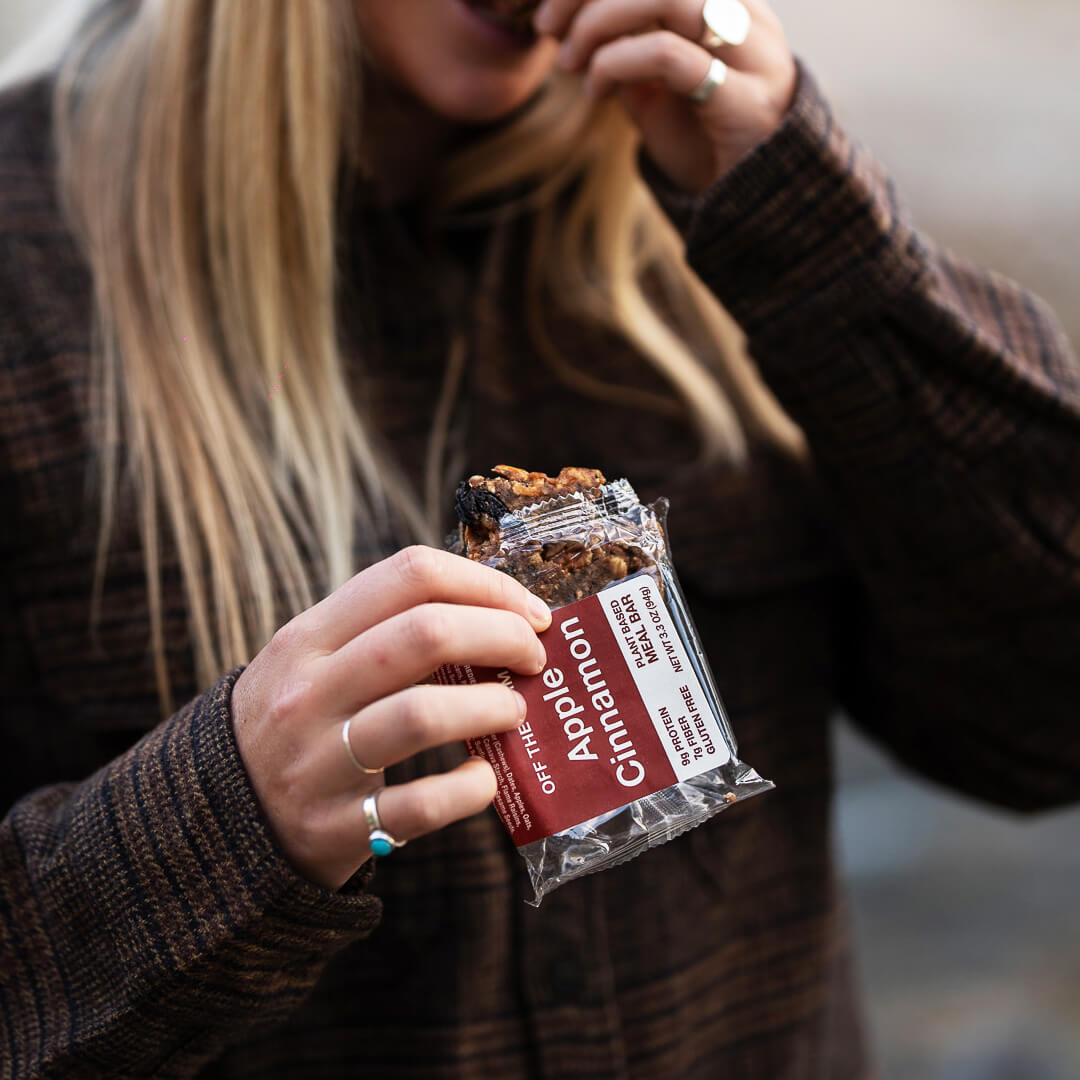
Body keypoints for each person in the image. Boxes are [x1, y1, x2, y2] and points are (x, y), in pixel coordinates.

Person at [1, 0, 1077, 1075]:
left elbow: (1040, 724)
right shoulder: (27, 271)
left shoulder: (716, 209)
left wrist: (814, 232)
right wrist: (219, 827)